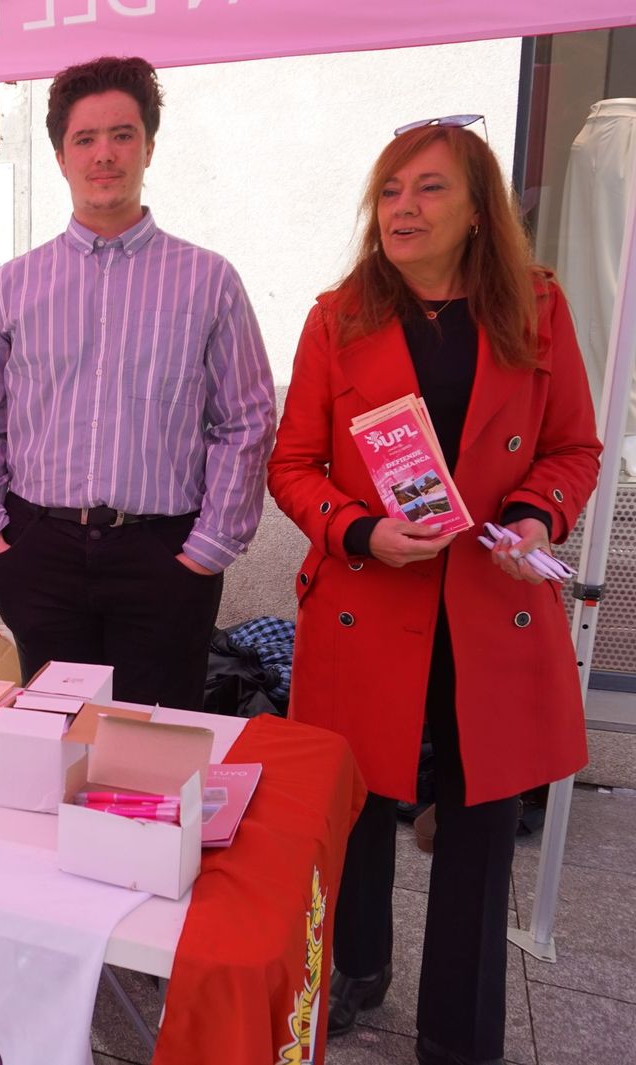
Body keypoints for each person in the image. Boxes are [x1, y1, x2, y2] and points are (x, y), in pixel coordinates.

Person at [268, 117, 600, 1065]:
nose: (404, 208)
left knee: (479, 822)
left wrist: (538, 513)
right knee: (358, 806)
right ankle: (356, 970)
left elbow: (574, 446)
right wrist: (361, 530)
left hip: (490, 604)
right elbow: (292, 465)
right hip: (371, 595)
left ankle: (460, 1033)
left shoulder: (536, 308)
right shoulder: (339, 316)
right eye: (390, 191)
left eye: (429, 189)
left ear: (478, 209)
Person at [0, 55, 274, 702]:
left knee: (155, 752)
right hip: (38, 551)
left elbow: (245, 418)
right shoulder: (13, 285)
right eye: (85, 138)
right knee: (56, 742)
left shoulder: (208, 280)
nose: (104, 154)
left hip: (163, 556)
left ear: (149, 147)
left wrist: (208, 547)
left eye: (122, 134)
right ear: (60, 156)